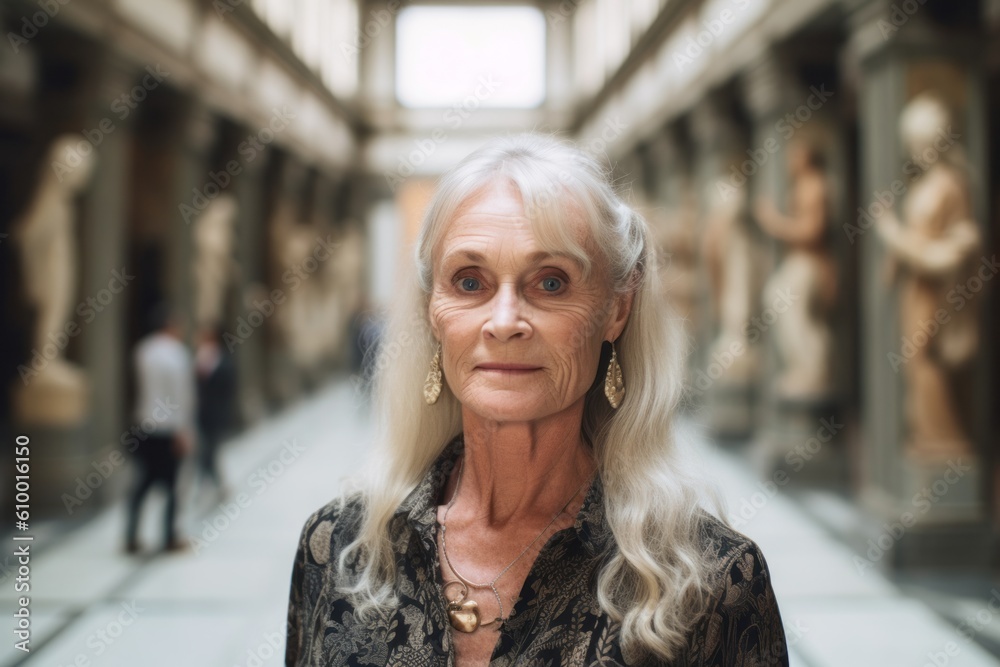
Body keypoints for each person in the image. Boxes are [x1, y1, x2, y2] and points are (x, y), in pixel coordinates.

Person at [285, 135, 789, 666]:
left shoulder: (711, 583)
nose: (504, 322)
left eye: (550, 282)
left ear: (616, 310)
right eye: (469, 281)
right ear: (433, 312)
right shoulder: (339, 549)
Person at [125, 303, 195, 554]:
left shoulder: (142, 350)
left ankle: (131, 536)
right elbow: (180, 395)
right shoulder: (177, 353)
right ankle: (169, 537)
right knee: (173, 486)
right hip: (168, 428)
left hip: (144, 424)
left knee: (142, 483)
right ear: (171, 326)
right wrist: (183, 430)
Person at [195, 324, 237, 500]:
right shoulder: (199, 359)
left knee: (209, 452)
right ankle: (214, 485)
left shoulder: (224, 362)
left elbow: (227, 389)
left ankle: (214, 486)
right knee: (206, 452)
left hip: (217, 415)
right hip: (201, 415)